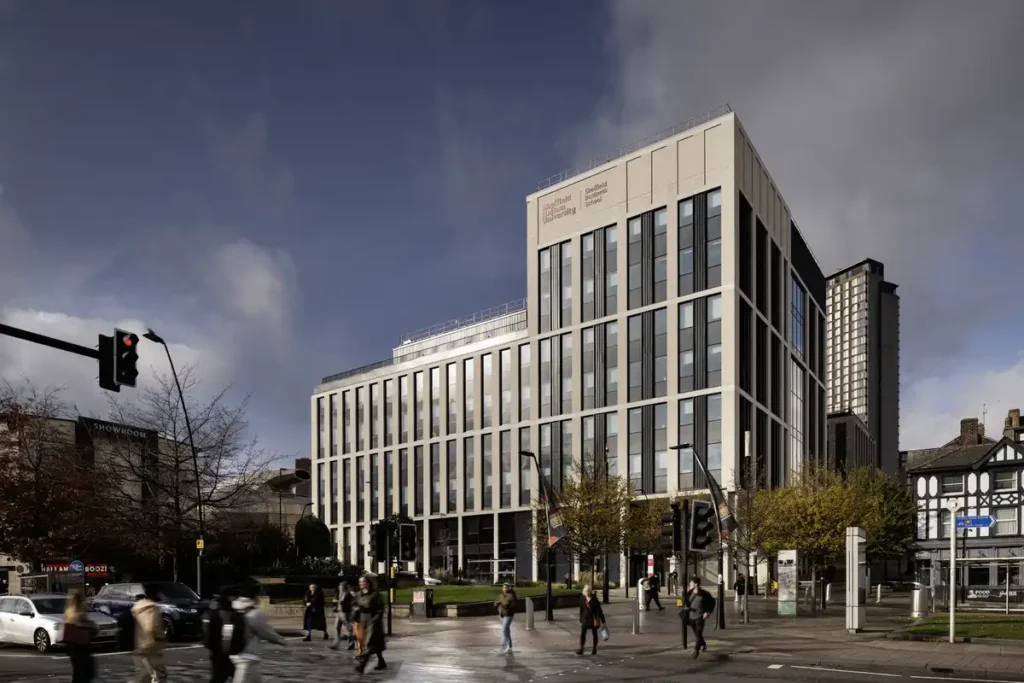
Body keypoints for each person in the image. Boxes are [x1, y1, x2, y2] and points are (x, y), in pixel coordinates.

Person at [230, 583, 287, 683]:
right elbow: (266, 633)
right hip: (247, 659)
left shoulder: (234, 610)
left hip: (236, 657)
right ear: (254, 596)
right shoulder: (254, 614)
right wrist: (281, 640)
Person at [203, 585, 238, 683]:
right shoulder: (226, 611)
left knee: (218, 677)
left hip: (216, 651)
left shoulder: (215, 609)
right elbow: (227, 630)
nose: (236, 598)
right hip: (224, 652)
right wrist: (228, 650)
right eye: (234, 596)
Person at [351, 575, 386, 674]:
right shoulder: (358, 595)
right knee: (375, 644)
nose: (362, 584)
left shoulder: (375, 595)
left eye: (364, 582)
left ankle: (362, 666)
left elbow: (380, 609)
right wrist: (355, 609)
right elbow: (354, 604)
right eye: (360, 582)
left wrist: (375, 619)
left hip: (374, 622)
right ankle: (381, 662)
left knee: (370, 645)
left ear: (369, 582)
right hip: (363, 622)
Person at [132, 587, 167, 683]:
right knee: (160, 676)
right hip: (152, 646)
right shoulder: (151, 609)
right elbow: (152, 627)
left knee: (145, 676)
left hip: (141, 645)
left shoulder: (138, 607)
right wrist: (160, 637)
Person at [63, 590, 96, 683]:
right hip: (81, 647)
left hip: (74, 648)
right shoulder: (78, 614)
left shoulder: (69, 612)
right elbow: (88, 628)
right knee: (84, 674)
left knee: (78, 673)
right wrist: (91, 626)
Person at [683, 577, 713, 659]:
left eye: (691, 583)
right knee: (697, 633)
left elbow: (712, 602)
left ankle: (696, 650)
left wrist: (707, 612)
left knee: (699, 632)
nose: (690, 584)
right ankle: (703, 644)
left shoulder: (704, 594)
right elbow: (686, 602)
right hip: (691, 616)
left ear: (696, 584)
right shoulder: (689, 593)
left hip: (700, 616)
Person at [576, 585, 605, 656]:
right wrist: (580, 620)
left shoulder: (595, 600)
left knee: (594, 633)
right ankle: (581, 648)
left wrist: (603, 620)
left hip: (593, 619)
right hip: (585, 619)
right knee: (583, 633)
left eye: (587, 592)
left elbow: (599, 610)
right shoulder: (582, 599)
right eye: (586, 592)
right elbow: (581, 610)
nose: (586, 593)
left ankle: (594, 648)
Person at [329, 582, 355, 651]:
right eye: (340, 587)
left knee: (348, 628)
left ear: (345, 587)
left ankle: (351, 643)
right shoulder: (338, 593)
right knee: (337, 627)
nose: (340, 588)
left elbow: (343, 601)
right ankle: (336, 643)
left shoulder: (347, 594)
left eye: (342, 587)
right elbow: (335, 600)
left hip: (345, 612)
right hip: (339, 612)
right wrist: (336, 601)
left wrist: (336, 601)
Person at [493, 582, 517, 654]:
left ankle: (505, 646)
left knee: (504, 629)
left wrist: (500, 601)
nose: (504, 589)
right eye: (503, 587)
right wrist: (497, 603)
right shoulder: (501, 596)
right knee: (506, 630)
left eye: (506, 587)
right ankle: (509, 646)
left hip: (508, 615)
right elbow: (495, 603)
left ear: (509, 588)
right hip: (502, 615)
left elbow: (506, 605)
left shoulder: (511, 596)